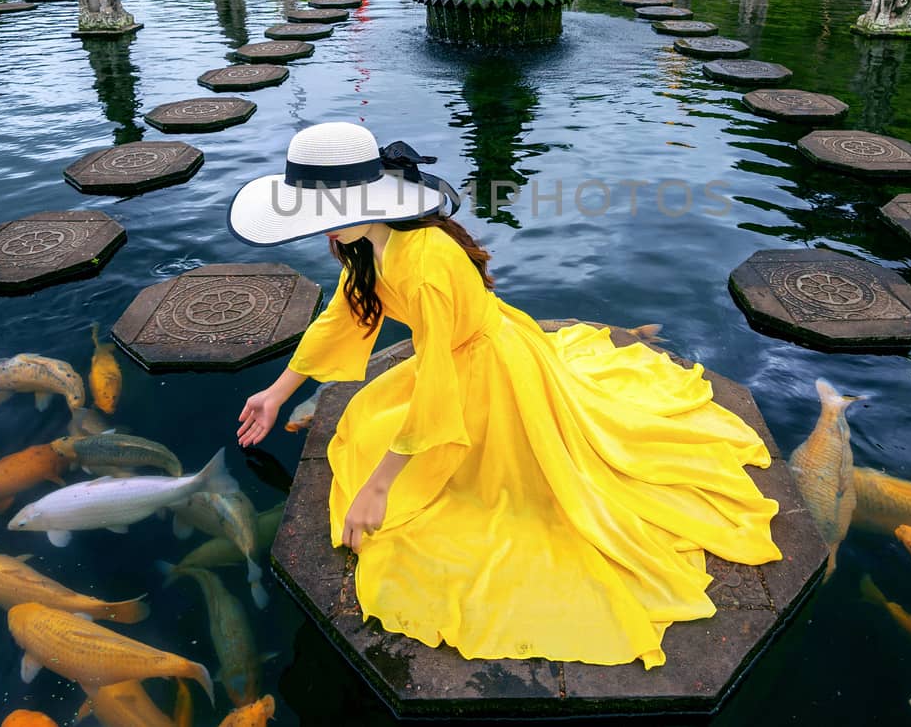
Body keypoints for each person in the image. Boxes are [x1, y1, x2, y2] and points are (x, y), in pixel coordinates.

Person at [231, 122, 781, 669]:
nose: (322, 229)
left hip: (487, 370)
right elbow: (347, 314)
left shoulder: (422, 264)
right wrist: (277, 392)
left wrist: (378, 488)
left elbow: (439, 389)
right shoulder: (376, 241)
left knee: (491, 495)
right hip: (464, 352)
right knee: (379, 430)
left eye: (326, 213)